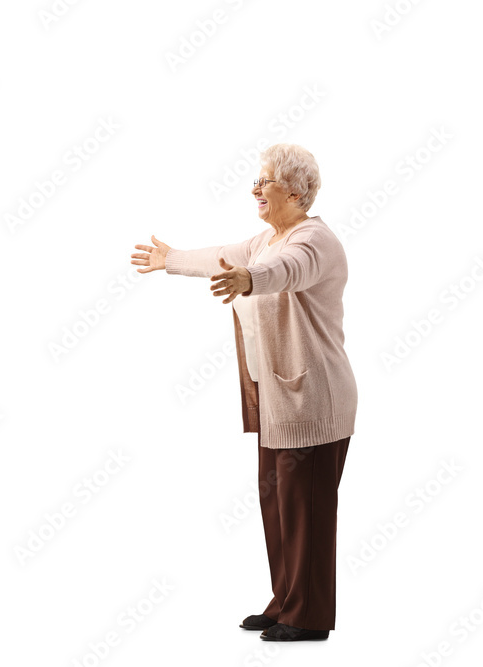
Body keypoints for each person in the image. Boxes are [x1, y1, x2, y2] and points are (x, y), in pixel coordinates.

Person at [130, 144, 357, 642]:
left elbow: (286, 272)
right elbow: (221, 256)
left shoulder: (311, 241)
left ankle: (308, 616)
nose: (255, 187)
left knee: (307, 511)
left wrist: (250, 280)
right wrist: (170, 259)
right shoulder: (266, 241)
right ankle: (285, 602)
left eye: (266, 180)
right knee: (278, 506)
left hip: (314, 401)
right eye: (257, 179)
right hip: (281, 402)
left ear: (294, 192)